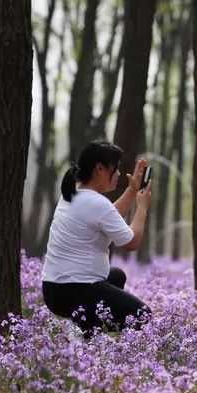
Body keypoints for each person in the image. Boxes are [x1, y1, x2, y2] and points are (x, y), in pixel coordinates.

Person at [41, 141, 153, 336]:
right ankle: (85, 331)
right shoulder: (96, 203)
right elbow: (131, 242)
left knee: (116, 276)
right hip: (75, 291)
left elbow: (111, 217)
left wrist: (133, 189)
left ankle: (88, 332)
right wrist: (142, 207)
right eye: (115, 168)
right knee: (142, 316)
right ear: (100, 169)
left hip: (54, 289)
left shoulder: (73, 194)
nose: (118, 174)